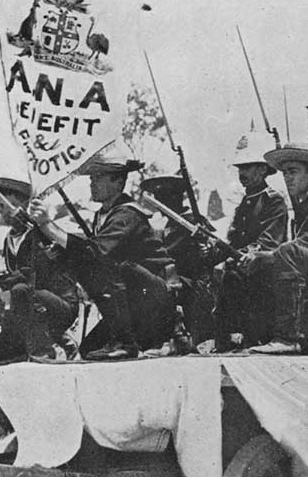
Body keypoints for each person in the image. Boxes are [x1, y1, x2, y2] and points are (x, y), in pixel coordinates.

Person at [27, 146, 175, 360]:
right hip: (133, 304)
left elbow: (95, 252)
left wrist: (48, 227)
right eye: (92, 178)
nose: (92, 183)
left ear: (119, 181)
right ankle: (123, 341)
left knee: (113, 268)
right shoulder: (104, 215)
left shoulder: (127, 214)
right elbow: (88, 250)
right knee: (89, 350)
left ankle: (127, 343)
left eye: (98, 178)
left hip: (155, 302)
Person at [0, 177, 79, 362]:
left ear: (23, 206)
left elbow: (28, 274)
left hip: (58, 305)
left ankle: (51, 345)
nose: (2, 211)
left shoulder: (41, 234)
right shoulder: (9, 240)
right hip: (29, 306)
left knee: (20, 289)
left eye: (7, 205)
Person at [251, 143, 308, 354]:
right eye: (284, 172)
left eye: (293, 171)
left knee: (285, 252)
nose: (287, 178)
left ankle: (287, 337)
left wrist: (271, 255)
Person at [212, 133, 290, 350]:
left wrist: (238, 255)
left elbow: (268, 242)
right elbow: (233, 240)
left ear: (262, 169)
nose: (242, 173)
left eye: (247, 167)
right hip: (241, 270)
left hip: (266, 273)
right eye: (240, 168)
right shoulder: (245, 202)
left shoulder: (273, 201)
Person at [138, 174, 215, 347]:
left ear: (179, 197)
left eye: (168, 195)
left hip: (191, 284)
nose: (162, 201)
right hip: (166, 280)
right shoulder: (158, 223)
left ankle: (172, 336)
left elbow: (165, 254)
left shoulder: (193, 221)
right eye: (159, 197)